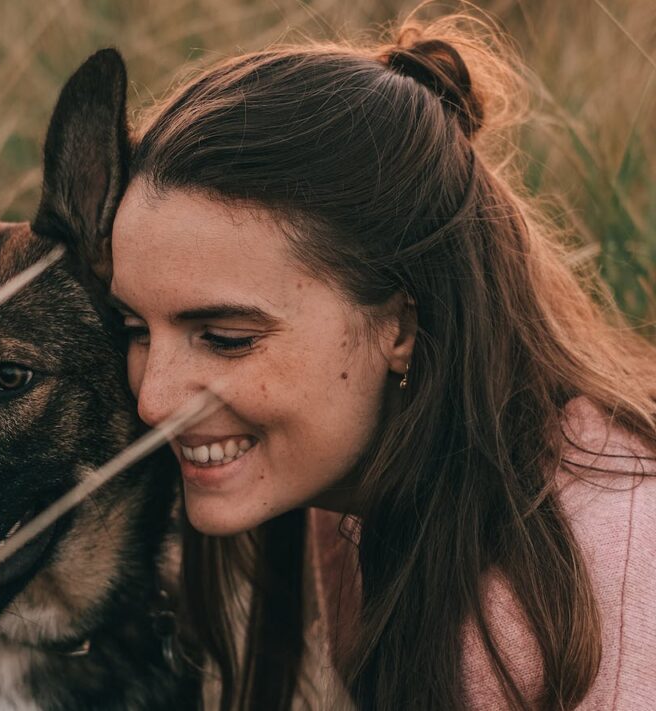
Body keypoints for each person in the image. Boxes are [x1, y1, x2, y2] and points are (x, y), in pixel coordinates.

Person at [107, 13, 656, 711]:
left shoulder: (554, 618)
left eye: (226, 336)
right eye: (135, 327)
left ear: (399, 322)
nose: (153, 400)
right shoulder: (377, 485)